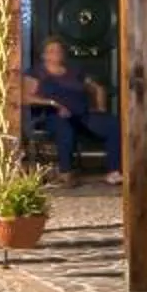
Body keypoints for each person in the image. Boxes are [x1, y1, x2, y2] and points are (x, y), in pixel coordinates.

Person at [24, 38, 119, 184]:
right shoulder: (36, 73)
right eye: (51, 51)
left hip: (81, 114)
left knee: (113, 124)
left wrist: (100, 109)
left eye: (59, 50)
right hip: (51, 115)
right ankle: (65, 171)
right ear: (44, 55)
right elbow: (26, 97)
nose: (56, 53)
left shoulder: (74, 71)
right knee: (64, 127)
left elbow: (98, 88)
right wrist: (52, 103)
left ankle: (114, 171)